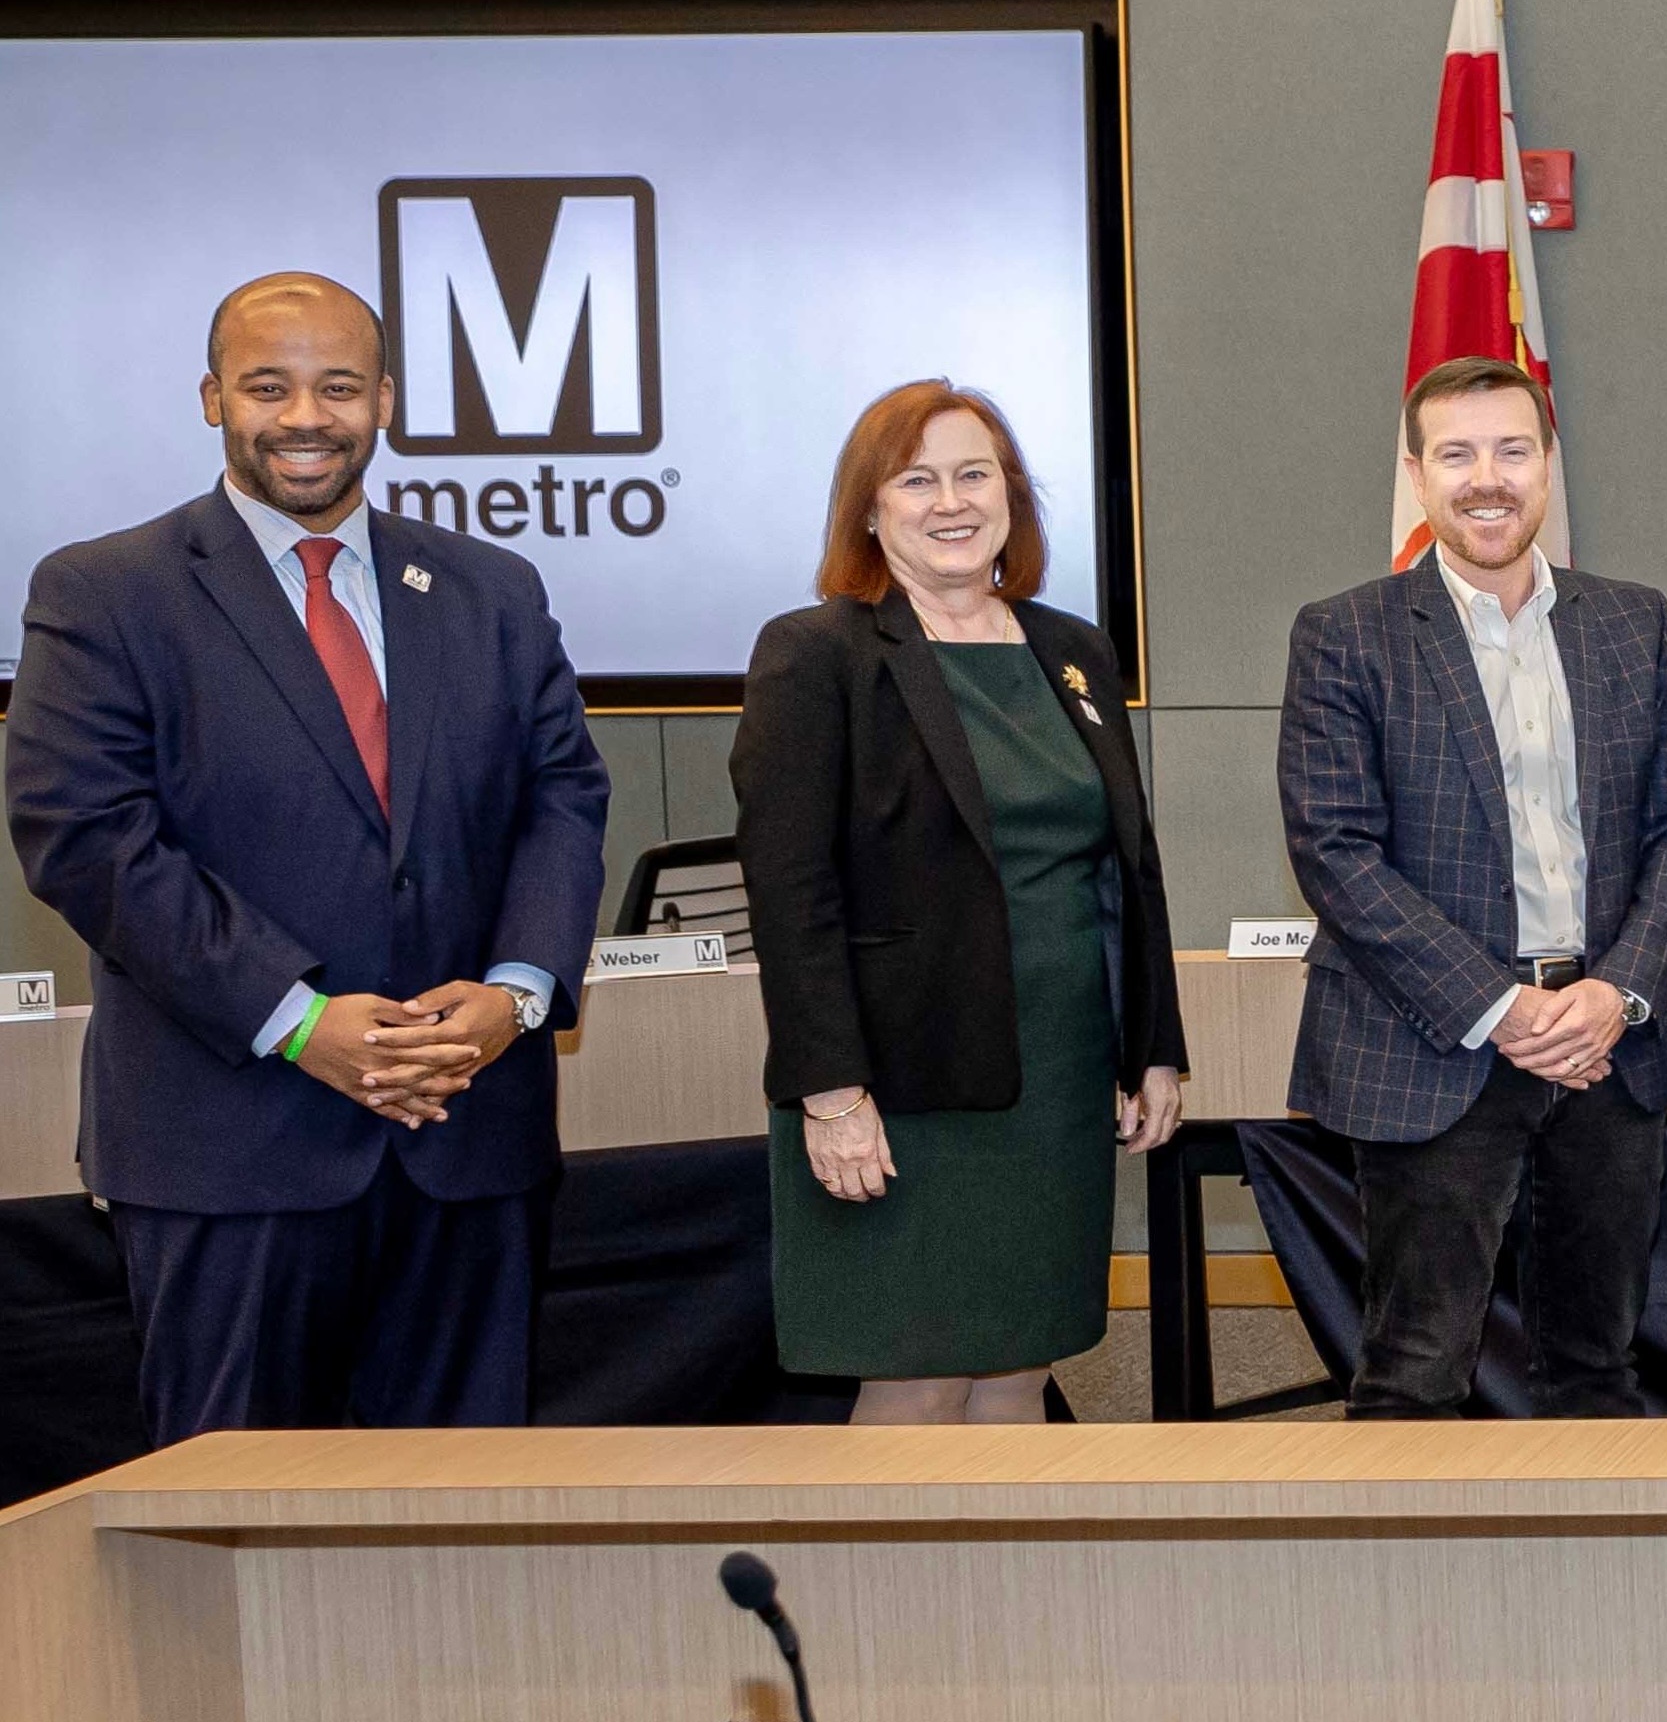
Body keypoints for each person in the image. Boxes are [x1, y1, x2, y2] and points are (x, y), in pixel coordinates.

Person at [8, 273, 605, 1443]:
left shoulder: (491, 586)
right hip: (230, 1146)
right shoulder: (104, 590)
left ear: (384, 397)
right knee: (233, 1543)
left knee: (465, 1538)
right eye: (266, 385)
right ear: (211, 397)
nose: (304, 416)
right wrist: (296, 1016)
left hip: (465, 1133)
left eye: (337, 385)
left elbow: (562, 795)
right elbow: (88, 839)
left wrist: (515, 992)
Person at [738, 379, 1190, 1422]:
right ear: (870, 508)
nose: (950, 500)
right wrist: (831, 1091)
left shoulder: (1070, 648)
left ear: (1011, 495)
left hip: (1060, 1077)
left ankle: (1006, 1595)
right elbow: (790, 890)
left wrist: (1149, 1042)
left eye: (974, 473)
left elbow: (1129, 861)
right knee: (918, 1369)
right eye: (917, 478)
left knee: (1021, 1359)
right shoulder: (820, 653)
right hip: (902, 1088)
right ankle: (870, 1596)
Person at [1276, 355, 1667, 1419]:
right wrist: (1500, 1006)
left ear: (1548, 466)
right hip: (1435, 1049)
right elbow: (1335, 848)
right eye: (1458, 453)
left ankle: (1590, 1590)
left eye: (1512, 449)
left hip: (1608, 1045)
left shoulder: (1633, 622)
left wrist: (1617, 991)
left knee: (1596, 1368)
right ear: (1418, 474)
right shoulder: (1346, 634)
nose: (1488, 477)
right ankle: (1401, 1594)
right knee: (1414, 1371)